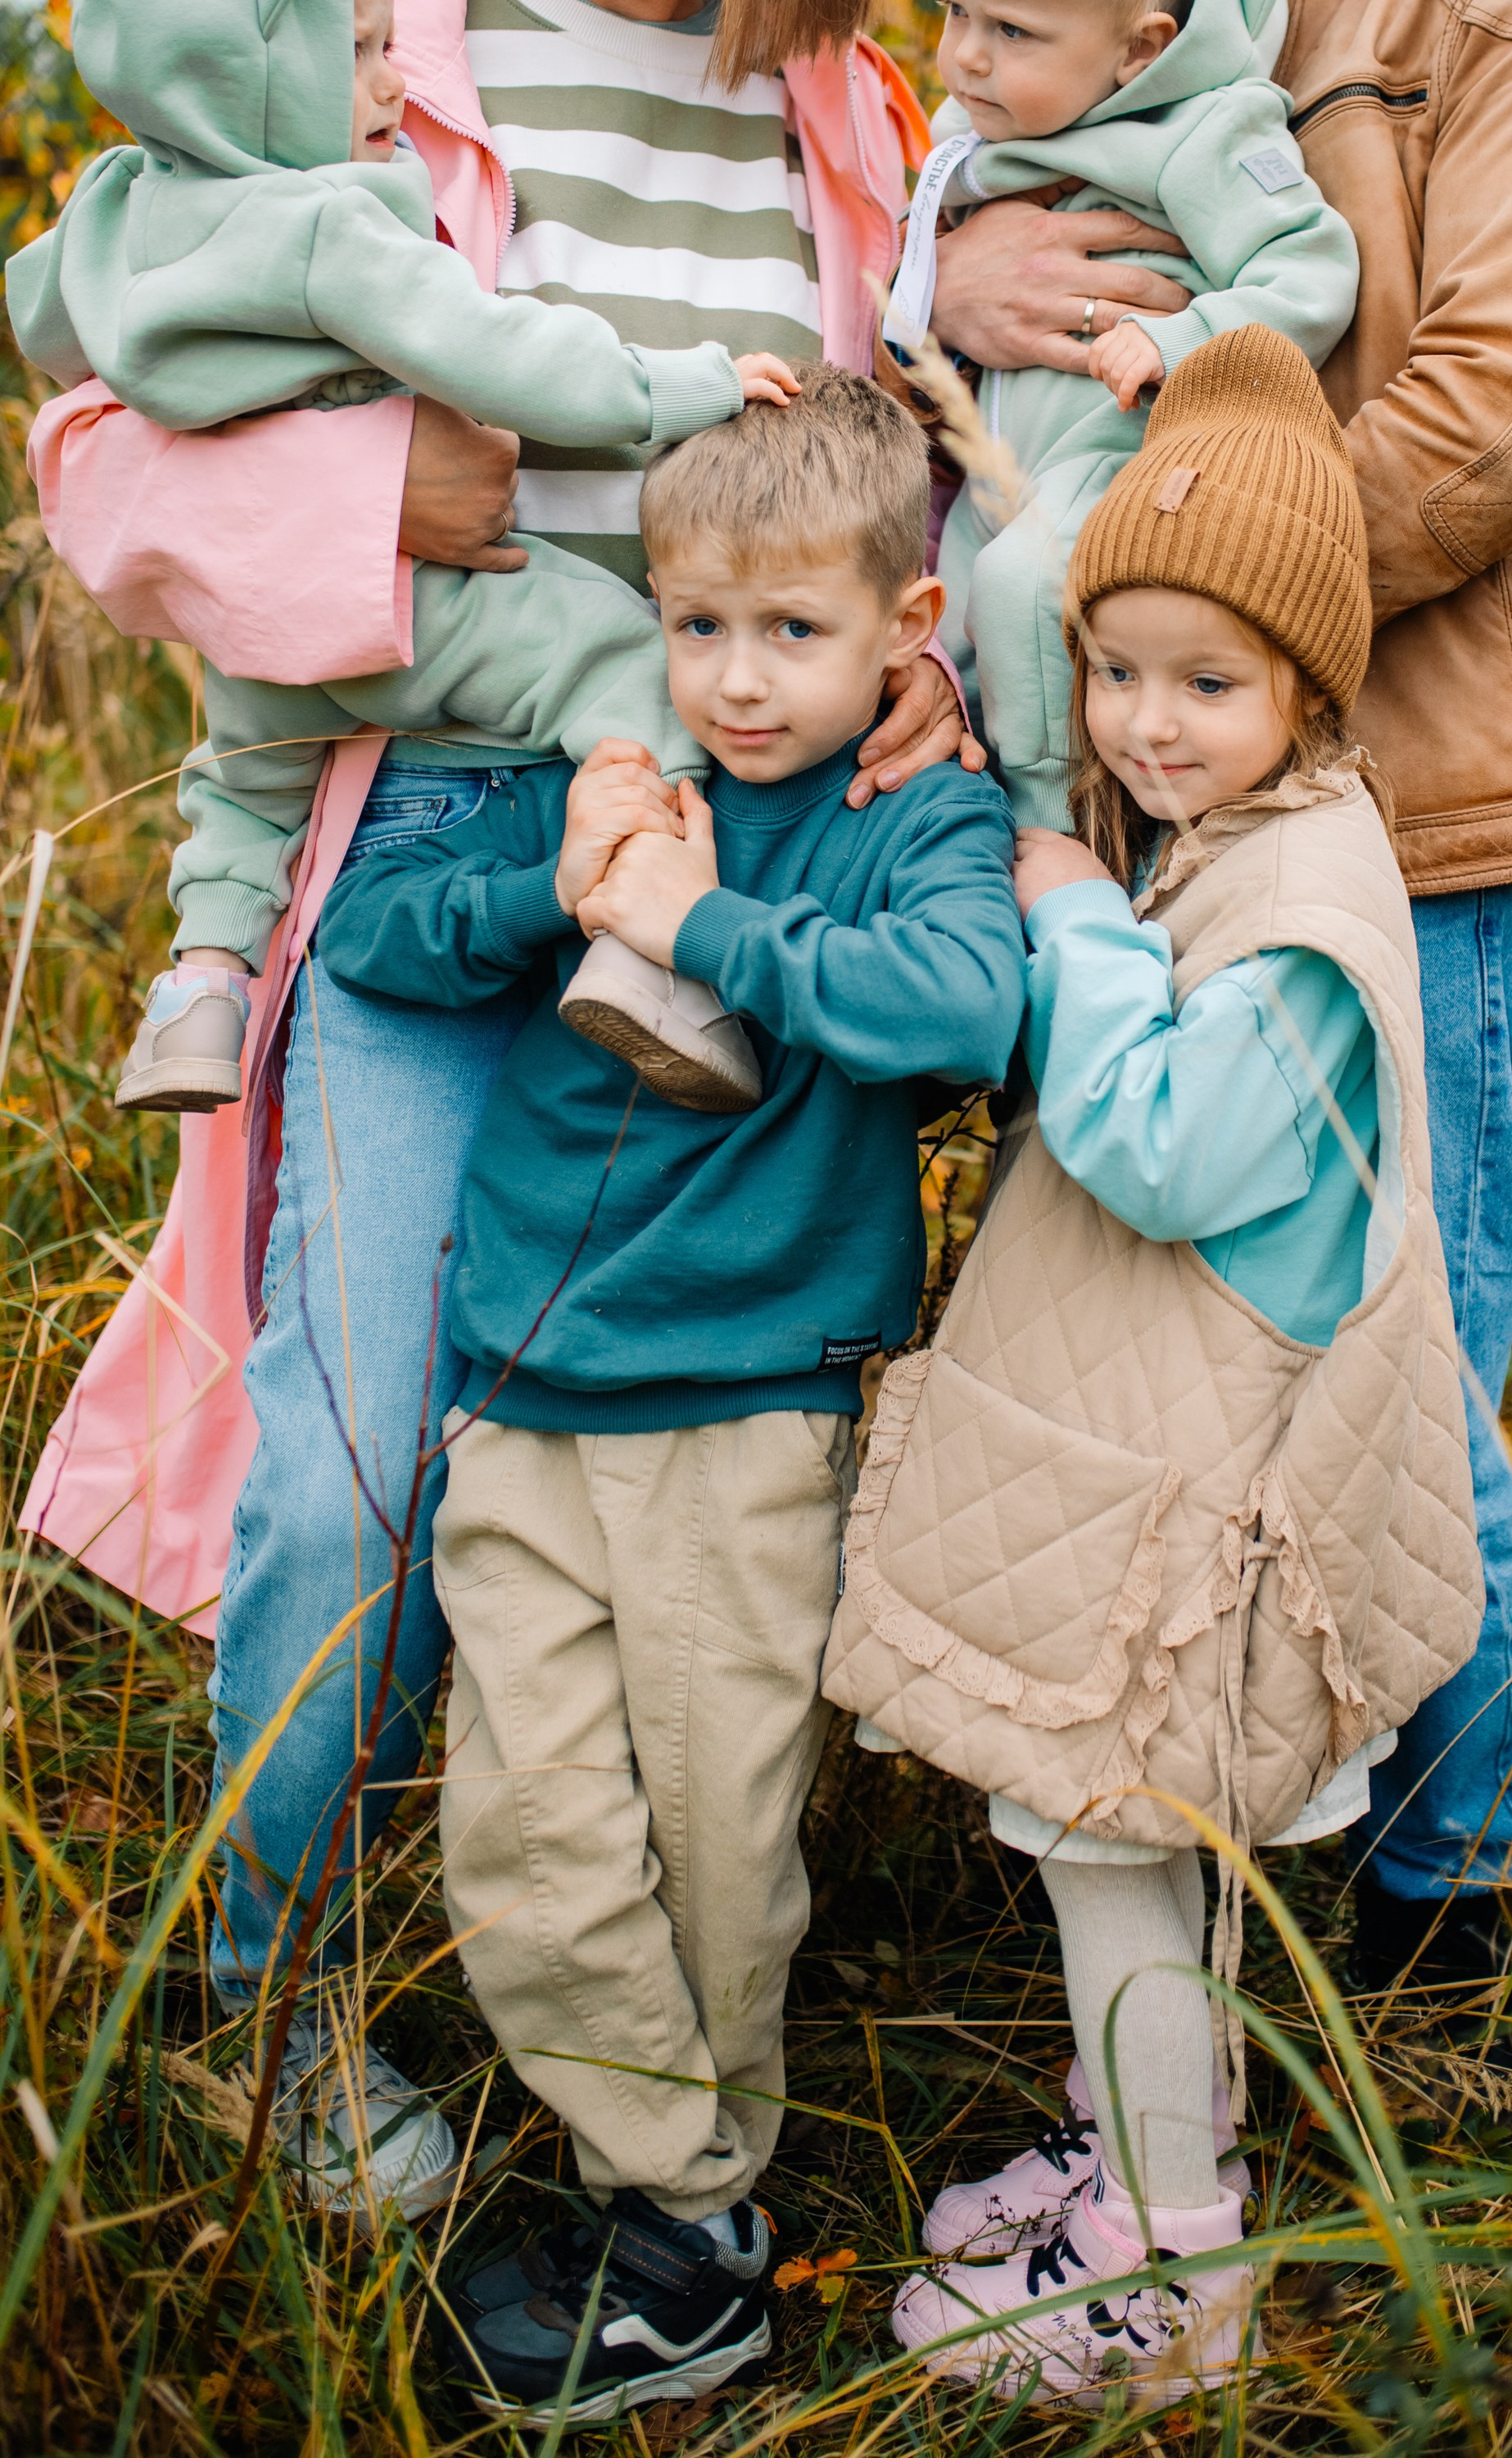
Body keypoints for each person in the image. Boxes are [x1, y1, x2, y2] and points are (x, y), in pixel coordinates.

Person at [23, 0, 1049, 2225]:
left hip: (736, 845)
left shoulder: (844, 102)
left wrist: (930, 664)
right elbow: (94, 448)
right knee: (364, 1470)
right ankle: (275, 2007)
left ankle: (649, 2047)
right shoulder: (390, 43)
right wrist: (365, 492)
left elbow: (899, 476)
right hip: (442, 833)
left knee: (680, 1451)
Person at [317, 365, 1026, 2425]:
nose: (733, 678)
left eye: (792, 631)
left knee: (716, 1840)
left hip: (742, 1413)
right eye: (693, 622)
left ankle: (681, 2242)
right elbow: (373, 929)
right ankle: (685, 2192)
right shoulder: (607, 770)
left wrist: (702, 921)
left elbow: (965, 1002)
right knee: (528, 1832)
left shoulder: (919, 814)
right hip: (526, 1392)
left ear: (904, 626)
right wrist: (562, 882)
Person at [825, 329, 1484, 2409]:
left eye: (1202, 682)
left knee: (1116, 1869)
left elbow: (1161, 1145)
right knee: (1139, 1881)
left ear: (1304, 686)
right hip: (1159, 1485)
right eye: (1116, 671)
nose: (1141, 719)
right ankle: (1133, 2167)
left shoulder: (1289, 909)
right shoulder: (1243, 842)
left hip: (1182, 1534)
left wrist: (1069, 916)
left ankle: (1171, 2280)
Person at [10, 0, 803, 1118]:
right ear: (249, 87)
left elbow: (50, 334)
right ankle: (651, 947)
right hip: (416, 617)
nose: (391, 87)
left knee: (245, 788)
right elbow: (500, 358)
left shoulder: (116, 216)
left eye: (388, 50)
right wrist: (686, 386)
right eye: (356, 59)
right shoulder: (332, 225)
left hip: (262, 613)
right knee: (626, 667)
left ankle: (199, 993)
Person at [1261, 0, 1512, 1993]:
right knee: (1224, 1361)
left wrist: (1193, 593)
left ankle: (1450, 1922)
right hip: (1176, 784)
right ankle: (1227, 1860)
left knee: (1412, 1355)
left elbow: (1511, 409)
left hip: (1417, 805)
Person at [880, 0, 1357, 829]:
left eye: (1012, 32)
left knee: (1020, 585)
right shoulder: (986, 126)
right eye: (958, 12)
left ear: (1139, 49)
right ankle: (946, 816)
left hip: (1118, 459)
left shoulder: (1206, 131)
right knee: (932, 632)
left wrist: (1178, 338)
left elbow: (1310, 272)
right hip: (999, 469)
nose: (964, 57)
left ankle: (1049, 822)